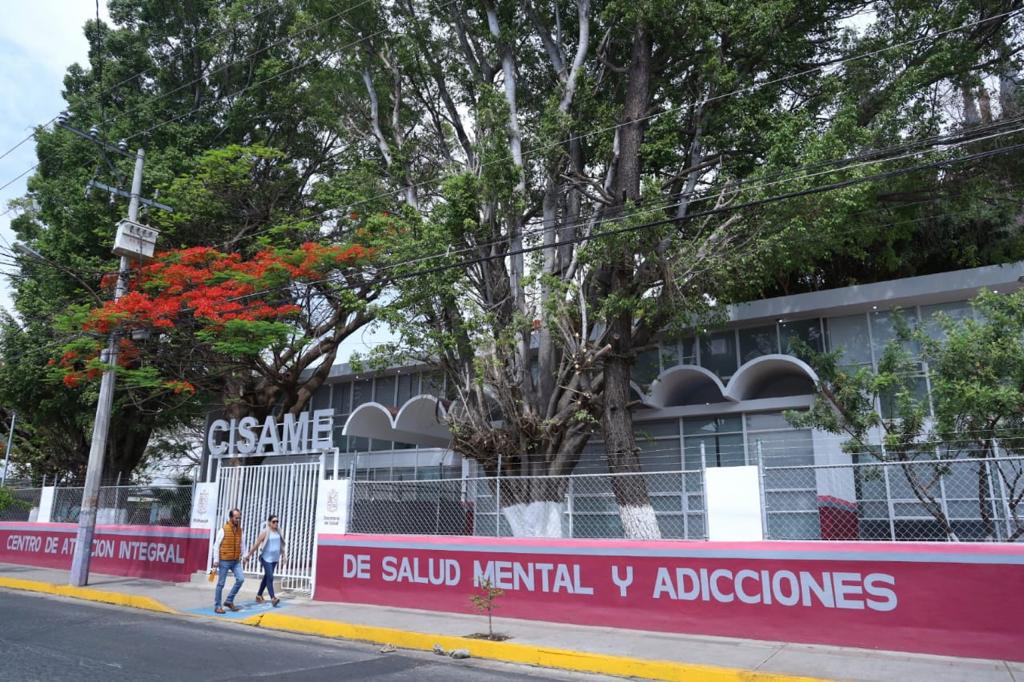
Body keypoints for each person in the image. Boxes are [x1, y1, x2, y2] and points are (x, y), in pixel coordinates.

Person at [212, 508, 247, 614]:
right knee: (221, 584)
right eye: (236, 517)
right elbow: (216, 545)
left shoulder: (240, 530)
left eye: (239, 517)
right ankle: (217, 606)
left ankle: (229, 600)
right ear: (231, 517)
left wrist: (245, 555)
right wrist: (216, 560)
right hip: (224, 560)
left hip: (236, 561)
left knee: (240, 579)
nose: (238, 519)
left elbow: (242, 544)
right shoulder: (223, 529)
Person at [247, 514, 286, 607]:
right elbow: (256, 544)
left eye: (277, 521)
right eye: (273, 521)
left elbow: (281, 544)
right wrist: (248, 555)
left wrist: (284, 555)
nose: (276, 523)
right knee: (270, 577)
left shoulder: (278, 531)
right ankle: (273, 598)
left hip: (275, 559)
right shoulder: (265, 532)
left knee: (266, 577)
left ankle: (259, 595)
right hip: (266, 558)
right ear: (269, 523)